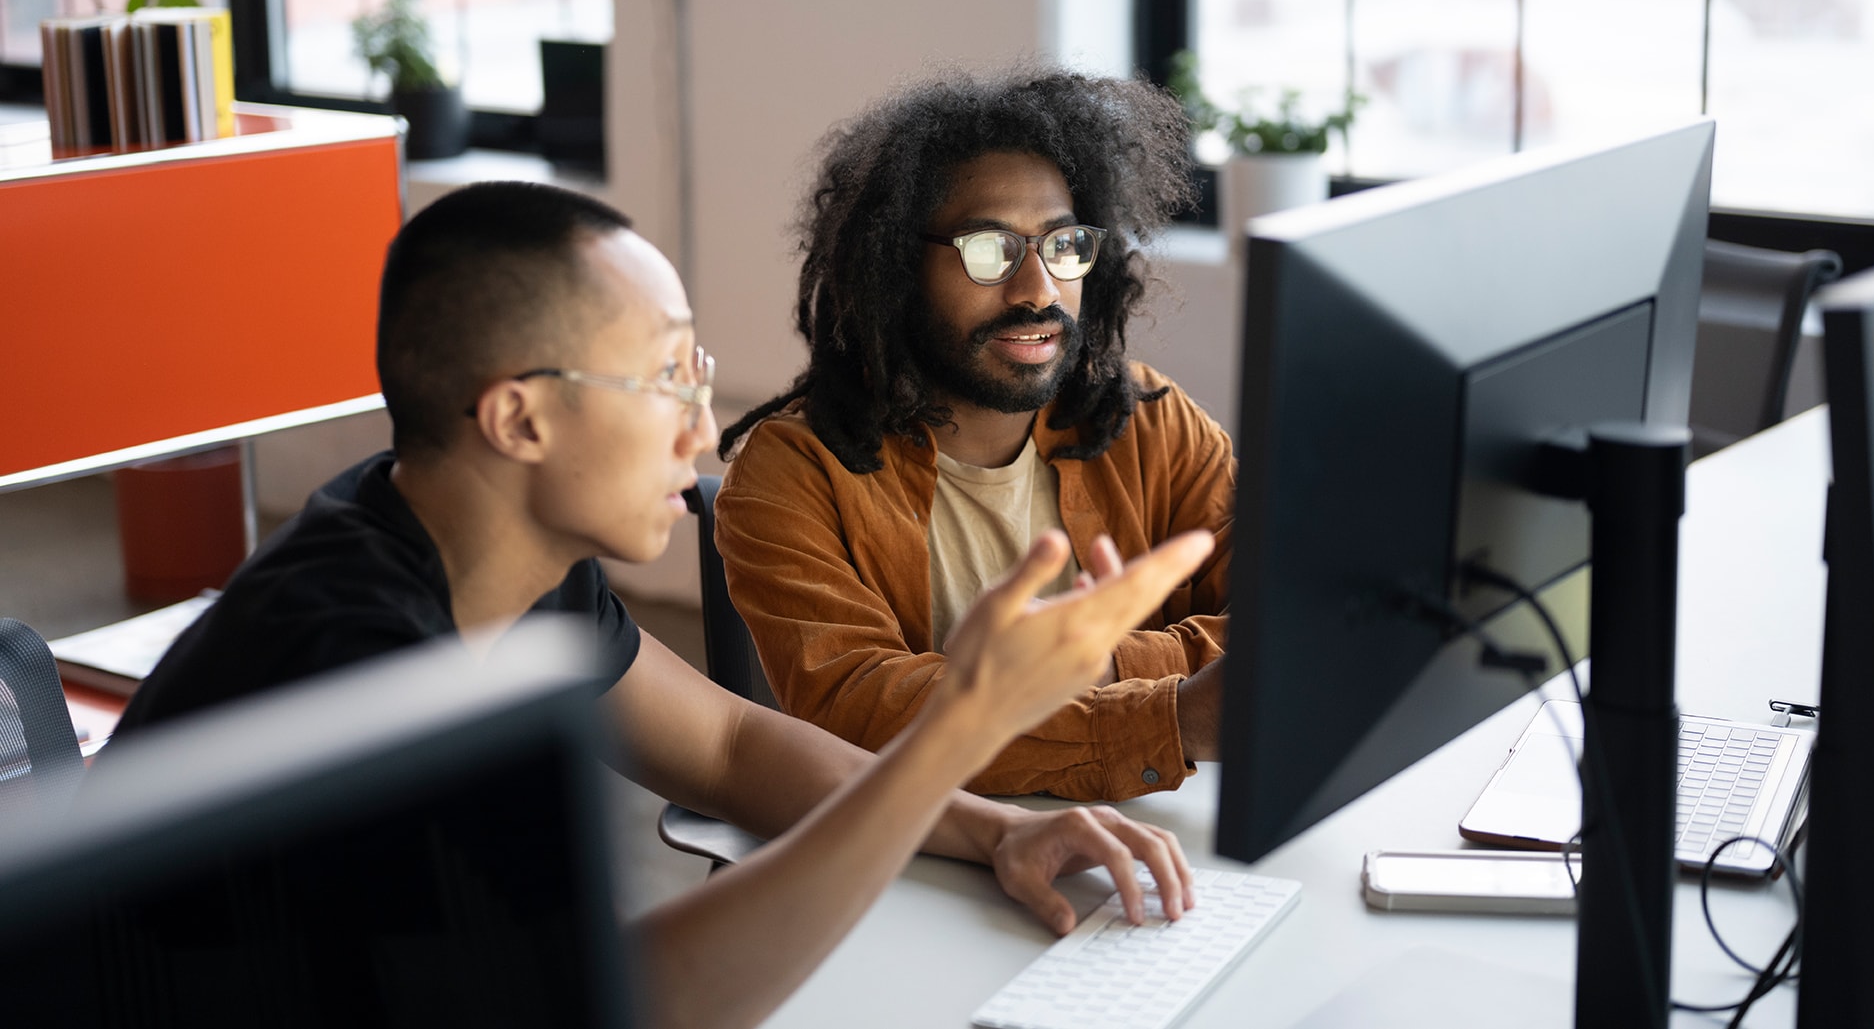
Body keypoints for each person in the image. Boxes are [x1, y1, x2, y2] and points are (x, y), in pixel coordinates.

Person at [108, 182, 1212, 1029]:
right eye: (667, 380)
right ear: (519, 421)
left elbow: (728, 744)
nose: (700, 428)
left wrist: (996, 830)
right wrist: (960, 728)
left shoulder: (479, 547)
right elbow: (627, 1003)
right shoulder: (357, 678)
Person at [716, 67, 1234, 803]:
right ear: (896, 267)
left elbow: (1280, 622)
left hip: (1150, 837)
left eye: (1064, 246)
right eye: (988, 250)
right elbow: (864, 713)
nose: (1037, 291)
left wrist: (1102, 665)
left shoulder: (1149, 421)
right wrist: (1172, 714)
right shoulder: (793, 472)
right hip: (917, 859)